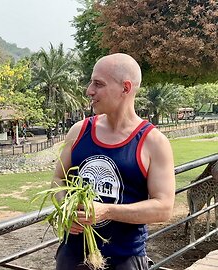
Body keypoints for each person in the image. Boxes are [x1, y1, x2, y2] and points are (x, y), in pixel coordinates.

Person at [53, 53, 175, 270]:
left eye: (98, 84)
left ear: (125, 88)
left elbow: (163, 208)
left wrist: (106, 211)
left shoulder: (153, 142)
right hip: (72, 257)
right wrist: (66, 209)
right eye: (91, 82)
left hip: (124, 260)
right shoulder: (79, 131)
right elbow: (58, 179)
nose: (89, 90)